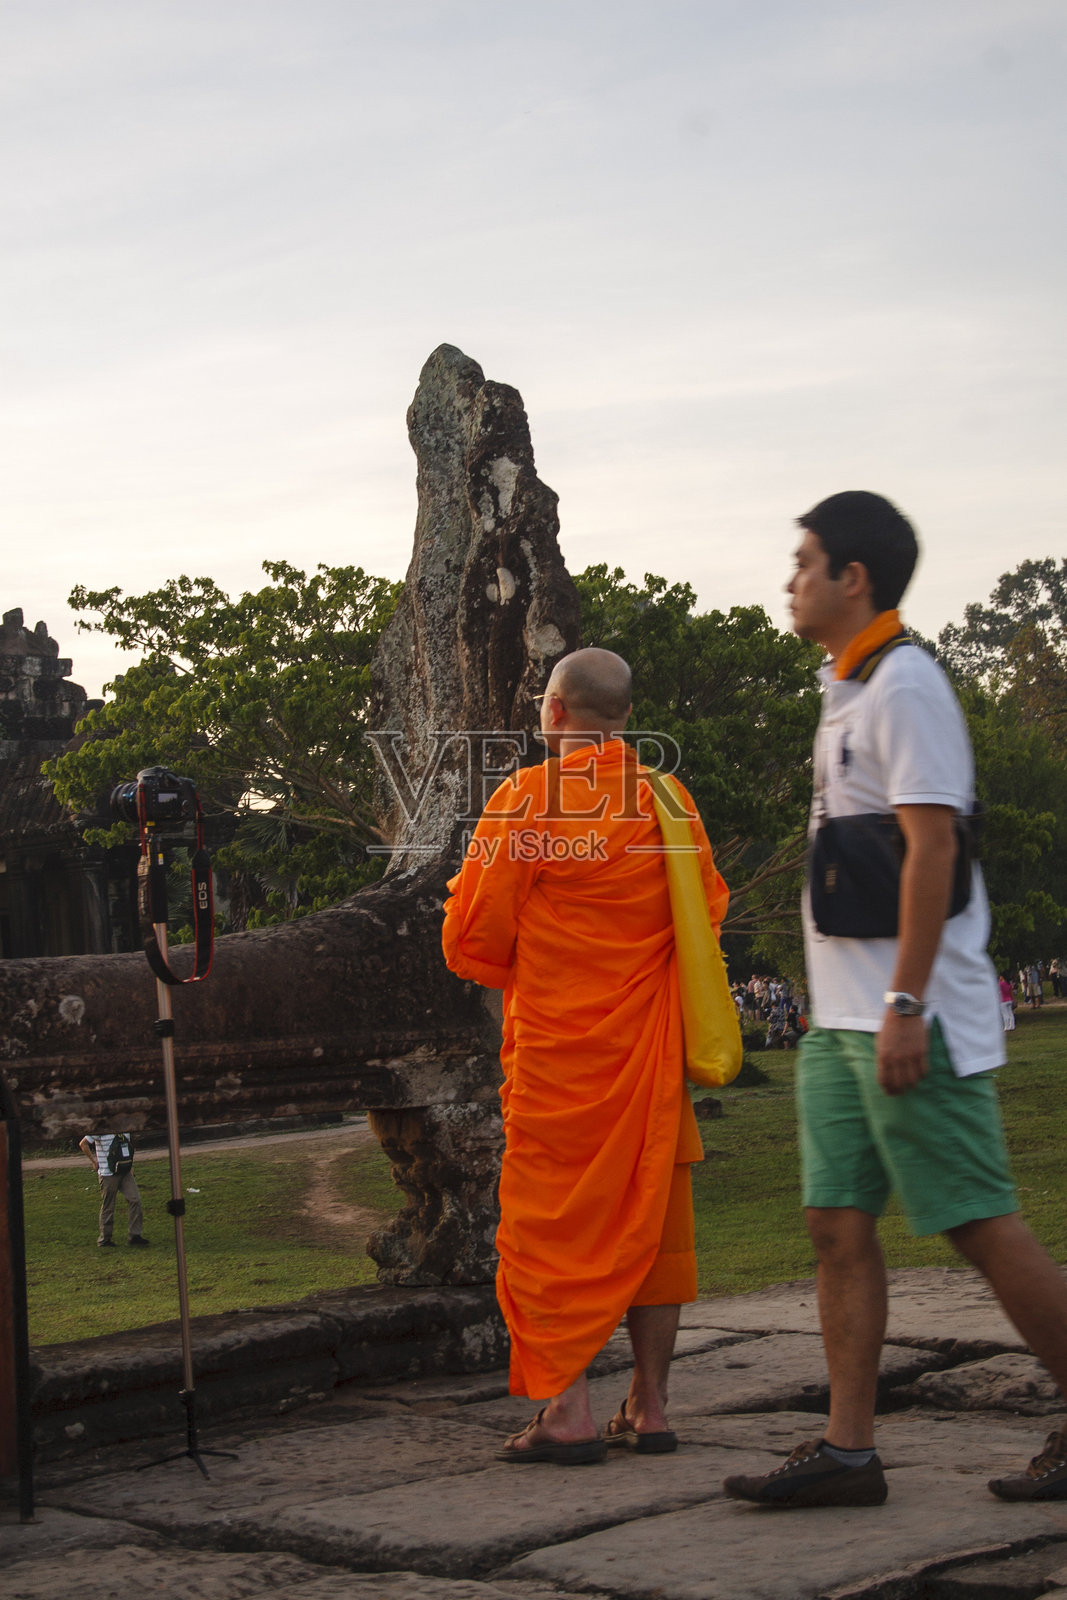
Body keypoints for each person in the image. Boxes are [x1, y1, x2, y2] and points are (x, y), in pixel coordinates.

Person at [723, 491, 1067, 1510]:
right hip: (836, 1019)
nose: (790, 581)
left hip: (906, 1013)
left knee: (975, 1222)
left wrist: (907, 1001)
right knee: (834, 1223)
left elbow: (931, 851)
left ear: (852, 578)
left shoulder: (904, 684)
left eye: (803, 562)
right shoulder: (846, 686)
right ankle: (846, 1451)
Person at [442, 647, 727, 1464]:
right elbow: (703, 915)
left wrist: (526, 956)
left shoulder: (528, 799)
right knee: (656, 1233)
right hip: (645, 1057)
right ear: (623, 717)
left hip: (559, 1061)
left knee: (547, 1232)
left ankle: (565, 1410)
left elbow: (472, 935)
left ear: (555, 711)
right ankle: (652, 1406)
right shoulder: (668, 802)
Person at [79, 1131, 150, 1248]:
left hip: (125, 1173)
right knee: (108, 1206)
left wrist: (130, 1167)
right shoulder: (101, 1128)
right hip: (108, 1174)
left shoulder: (124, 1129)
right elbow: (83, 1144)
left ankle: (135, 1235)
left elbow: (127, 1148)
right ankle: (105, 1239)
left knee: (135, 1199)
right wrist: (93, 1161)